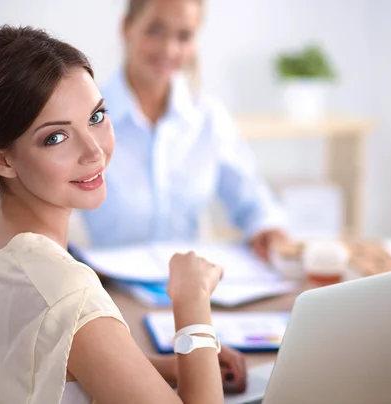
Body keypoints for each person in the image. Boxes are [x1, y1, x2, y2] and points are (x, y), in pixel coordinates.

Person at [0, 25, 242, 404]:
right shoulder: (69, 294)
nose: (94, 151)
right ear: (0, 159)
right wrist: (192, 301)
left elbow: (27, 359)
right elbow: (64, 318)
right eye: (56, 137)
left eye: (96, 117)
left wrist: (171, 365)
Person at [79, 0, 288, 261]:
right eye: (155, 30)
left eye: (184, 36)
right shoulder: (85, 120)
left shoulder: (208, 118)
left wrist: (268, 228)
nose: (169, 49)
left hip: (193, 287)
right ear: (126, 27)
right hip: (109, 292)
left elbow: (255, 204)